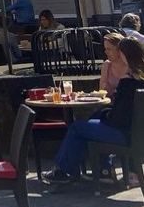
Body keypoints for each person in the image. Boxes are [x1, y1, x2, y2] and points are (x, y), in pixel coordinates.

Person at [43, 37, 144, 186]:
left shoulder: (127, 81)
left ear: (123, 54)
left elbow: (118, 119)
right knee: (91, 121)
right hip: (137, 133)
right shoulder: (139, 79)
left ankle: (63, 171)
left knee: (77, 127)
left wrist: (105, 115)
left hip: (124, 134)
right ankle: (102, 169)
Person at [100, 32, 127, 97]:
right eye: (105, 49)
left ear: (119, 50)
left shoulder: (131, 65)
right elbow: (101, 92)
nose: (106, 52)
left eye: (109, 49)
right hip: (111, 104)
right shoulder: (107, 65)